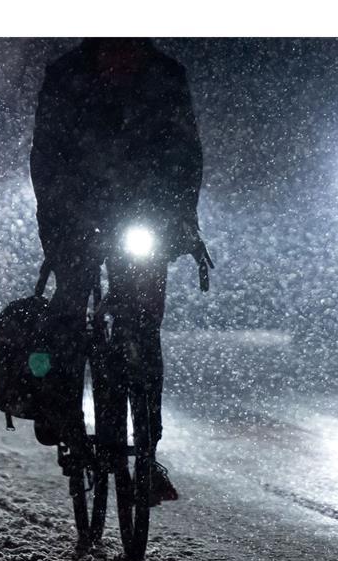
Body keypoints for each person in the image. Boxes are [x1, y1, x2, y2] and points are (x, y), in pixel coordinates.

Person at [29, 38, 210, 505]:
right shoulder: (67, 75)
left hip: (141, 218)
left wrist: (181, 218)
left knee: (143, 327)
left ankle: (147, 454)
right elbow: (47, 157)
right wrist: (60, 222)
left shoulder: (165, 76)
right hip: (77, 217)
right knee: (69, 310)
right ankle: (59, 406)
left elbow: (186, 156)